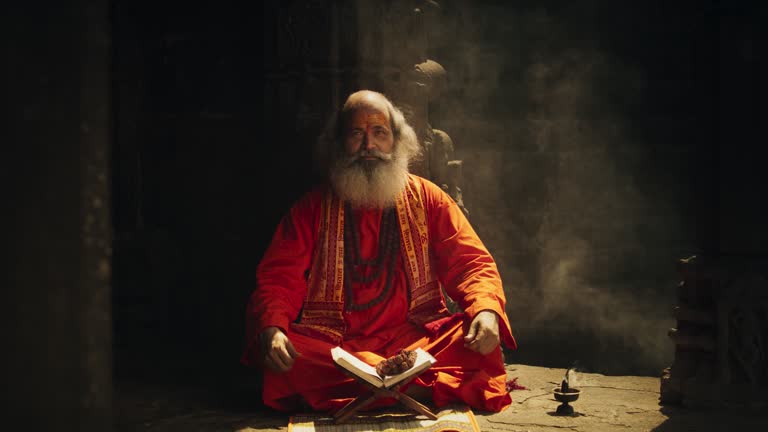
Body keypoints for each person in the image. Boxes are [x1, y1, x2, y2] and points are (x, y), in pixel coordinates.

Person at [241, 90, 517, 413]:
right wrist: (273, 329)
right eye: (356, 133)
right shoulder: (311, 209)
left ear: (397, 142)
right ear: (339, 144)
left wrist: (485, 310)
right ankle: (408, 390)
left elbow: (471, 263)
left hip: (417, 345)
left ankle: (367, 392)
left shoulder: (428, 199)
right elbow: (278, 279)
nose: (369, 145)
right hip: (336, 349)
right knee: (287, 357)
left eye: (379, 133)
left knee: (477, 345)